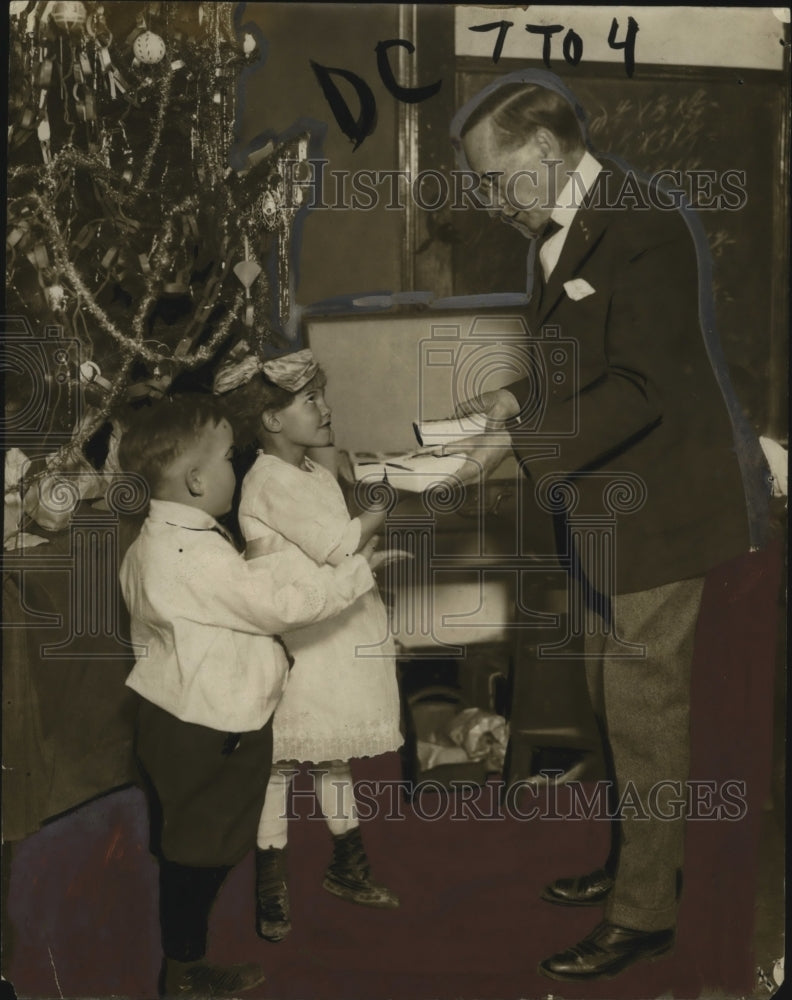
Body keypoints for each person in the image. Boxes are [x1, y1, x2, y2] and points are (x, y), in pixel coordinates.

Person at [449, 74, 768, 982]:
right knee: (607, 699)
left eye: (495, 178)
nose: (488, 198)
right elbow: (578, 366)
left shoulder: (646, 224)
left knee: (643, 711)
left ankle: (644, 917)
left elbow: (641, 388)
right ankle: (638, 865)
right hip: (598, 505)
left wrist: (513, 445)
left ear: (547, 152)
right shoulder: (548, 233)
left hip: (660, 509)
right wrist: (512, 395)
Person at [117, 394, 385, 998]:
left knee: (194, 847)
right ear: (194, 479)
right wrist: (357, 570)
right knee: (202, 856)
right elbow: (279, 607)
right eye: (227, 461)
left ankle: (186, 958)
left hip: (177, 720)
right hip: (212, 732)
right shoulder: (192, 554)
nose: (236, 472)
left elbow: (230, 593)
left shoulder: (157, 543)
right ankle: (185, 972)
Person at [215, 347, 403, 944]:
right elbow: (341, 545)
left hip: (330, 626)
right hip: (298, 634)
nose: (325, 407)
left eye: (321, 394)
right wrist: (388, 493)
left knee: (328, 750)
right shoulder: (267, 480)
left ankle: (347, 866)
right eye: (310, 399)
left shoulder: (312, 473)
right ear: (271, 421)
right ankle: (270, 883)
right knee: (282, 761)